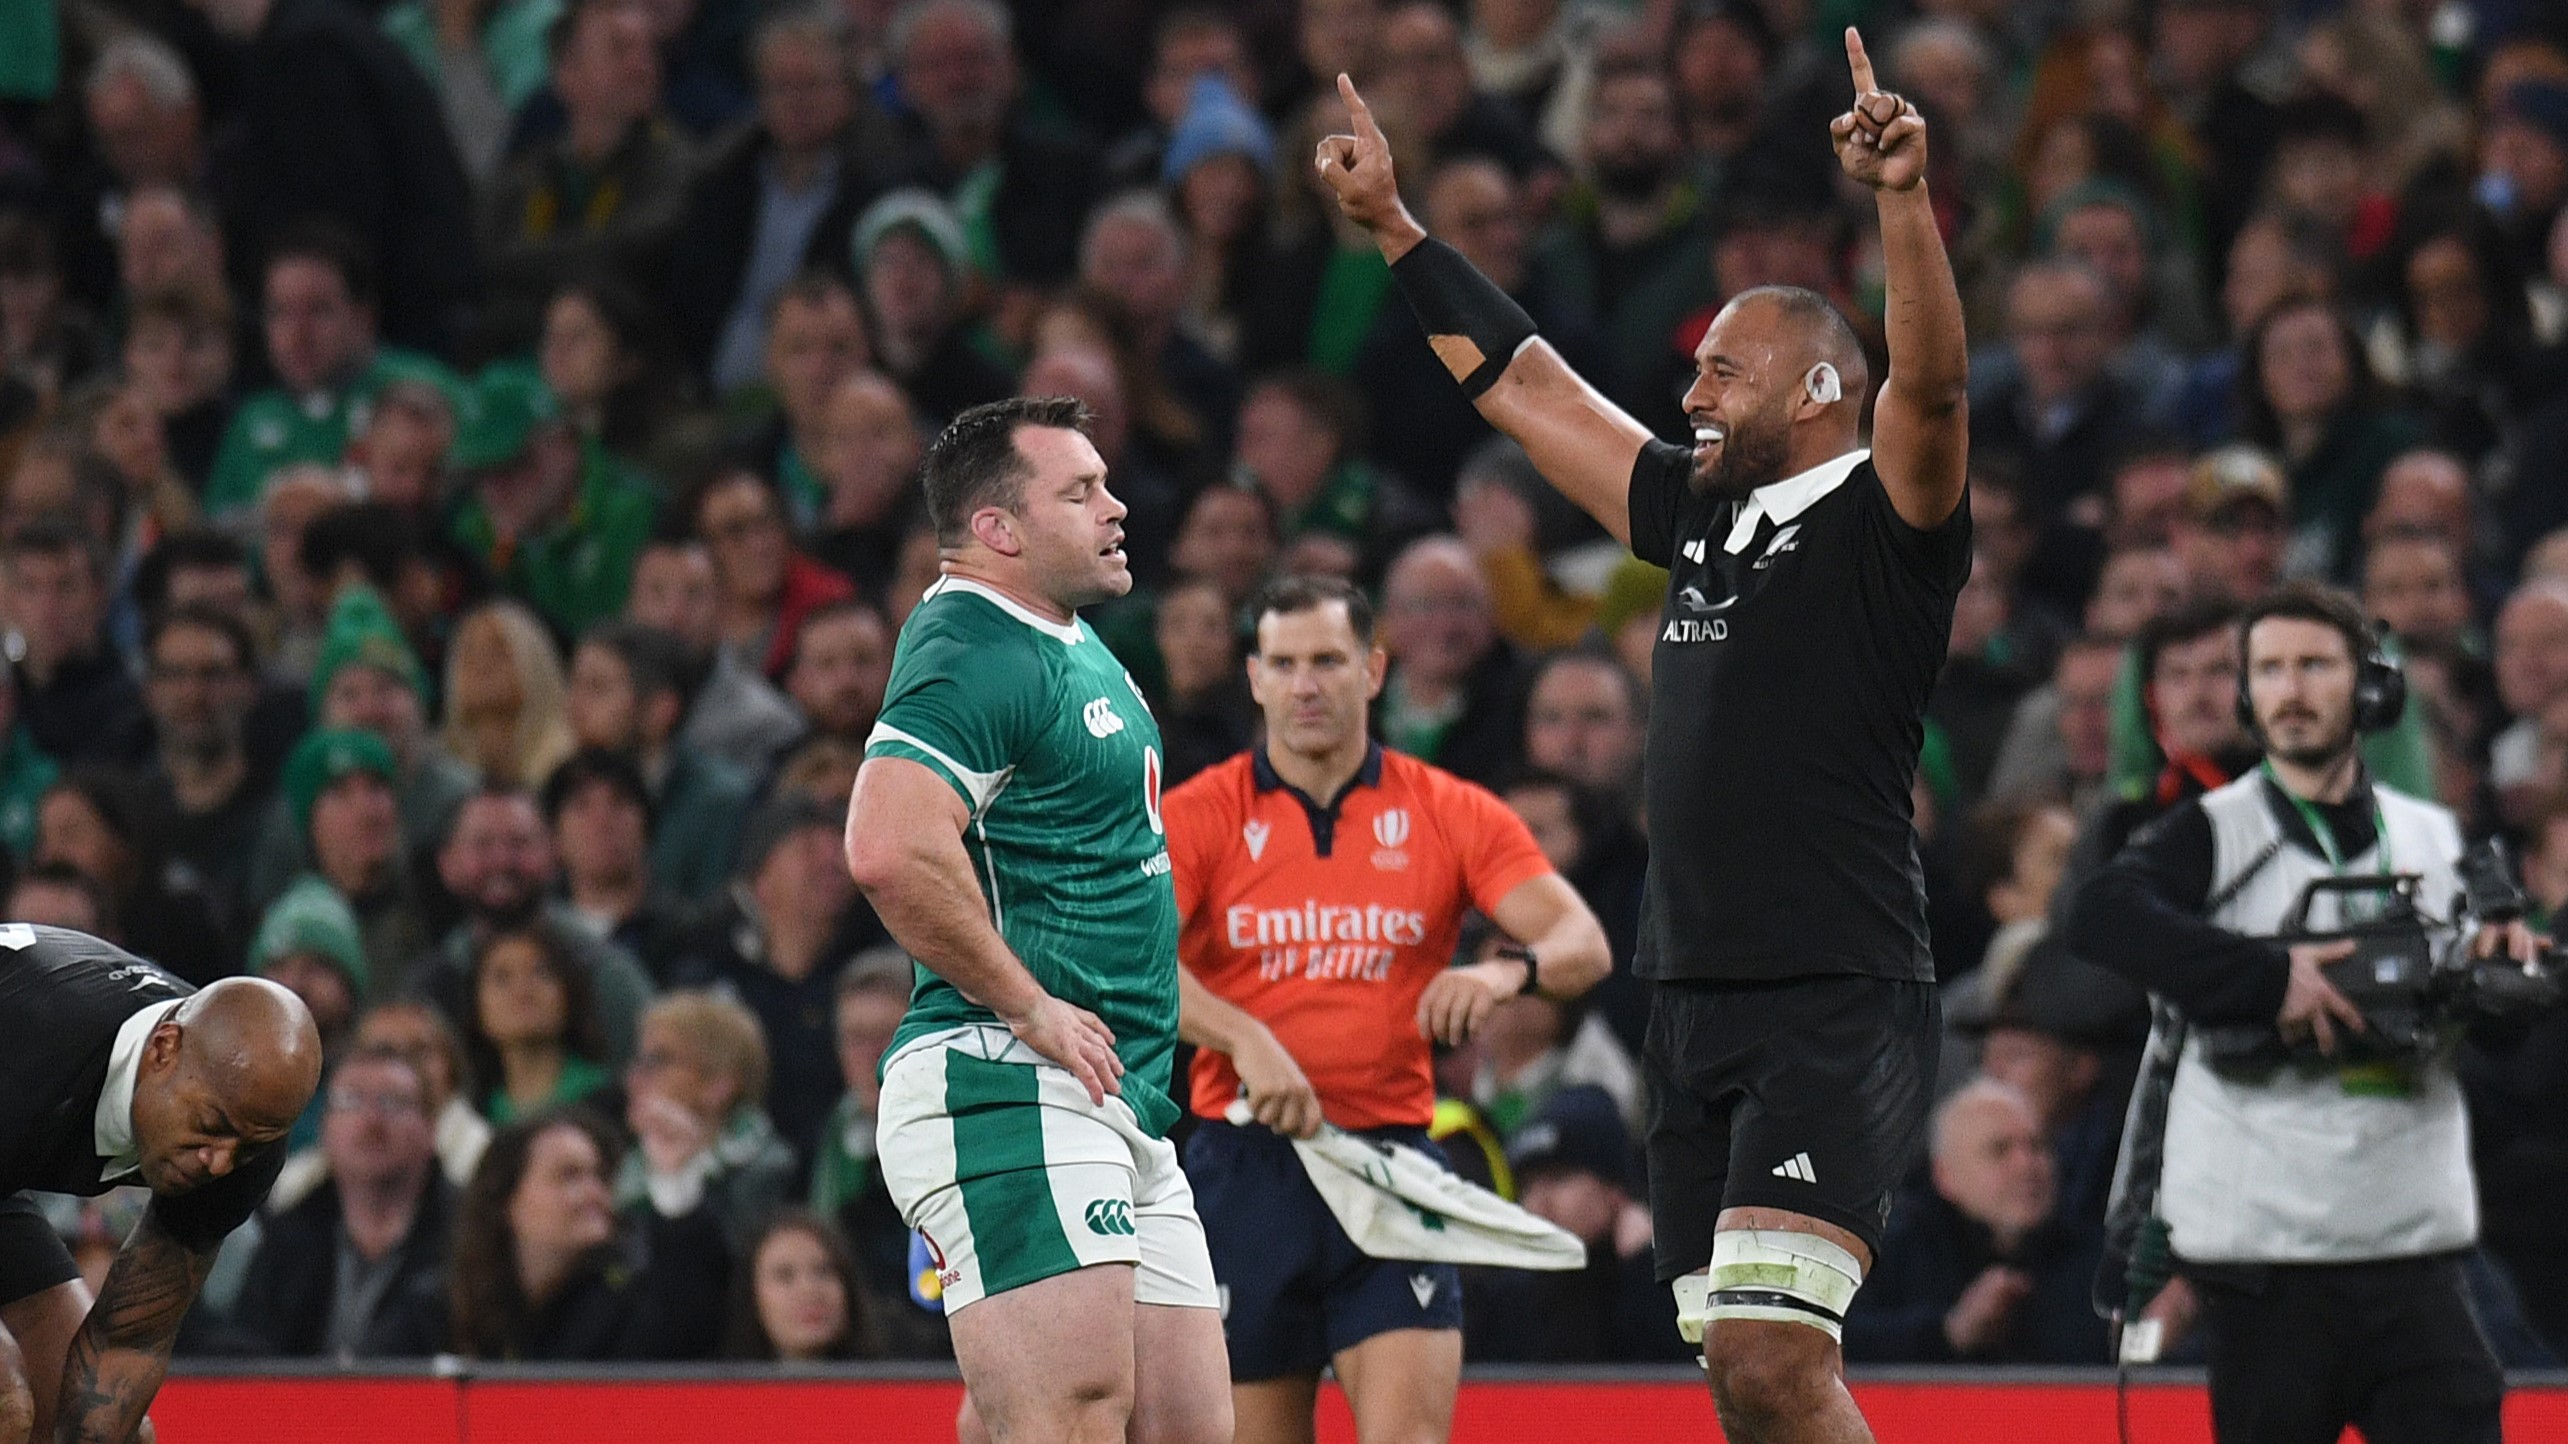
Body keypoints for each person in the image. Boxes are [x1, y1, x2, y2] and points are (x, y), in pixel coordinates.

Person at [1318, 33, 1971, 1440]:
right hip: (1688, 995)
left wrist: (1901, 203)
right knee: (1745, 1384)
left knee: (1775, 1357)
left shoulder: (1887, 525)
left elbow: (1931, 391)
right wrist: (1394, 230)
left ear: (1816, 393)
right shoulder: (1696, 514)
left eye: (1724, 372)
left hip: (1832, 990)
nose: (1691, 396)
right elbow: (1528, 387)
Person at [844, 397, 1229, 1444]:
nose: (1116, 508)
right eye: (1081, 491)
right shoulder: (975, 641)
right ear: (999, 530)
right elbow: (886, 846)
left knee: (1181, 1427)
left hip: (1119, 1098)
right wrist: (1030, 1005)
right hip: (1010, 1082)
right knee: (1068, 1418)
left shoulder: (1065, 640)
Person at [2068, 581, 2525, 1443]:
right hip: (2264, 1264)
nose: (2290, 690)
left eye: (2315, 665)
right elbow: (2098, 915)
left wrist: (2505, 976)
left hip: (2411, 1247)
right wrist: (2271, 979)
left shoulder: (2438, 838)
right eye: (2270, 669)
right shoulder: (2209, 830)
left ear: (2372, 688)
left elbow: (2505, 1028)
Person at [1162, 573, 1611, 1444]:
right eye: (1284, 663)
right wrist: (1243, 1036)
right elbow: (1128, 964)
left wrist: (1500, 974)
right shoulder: (1200, 813)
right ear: (1253, 677)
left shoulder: (1445, 809)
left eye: (1328, 660)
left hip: (1391, 1162)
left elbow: (1582, 944)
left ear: (1372, 670)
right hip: (1245, 1168)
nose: (1306, 685)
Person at [0, 935, 320, 1444]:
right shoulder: (29, 1045)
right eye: (210, 1124)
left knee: (120, 1432)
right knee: (5, 1404)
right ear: (163, 1049)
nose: (219, 1163)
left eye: (247, 1147)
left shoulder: (244, 1126)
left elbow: (129, 1344)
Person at [232, 1043, 454, 1358]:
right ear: (324, 1128)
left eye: (392, 1103)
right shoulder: (286, 1237)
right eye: (349, 1101)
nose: (371, 1122)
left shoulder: (469, 1241)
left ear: (431, 1128)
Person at [721, 1210, 881, 1361]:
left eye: (823, 1271)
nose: (809, 1290)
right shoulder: (718, 1387)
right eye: (785, 1276)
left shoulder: (893, 1380)